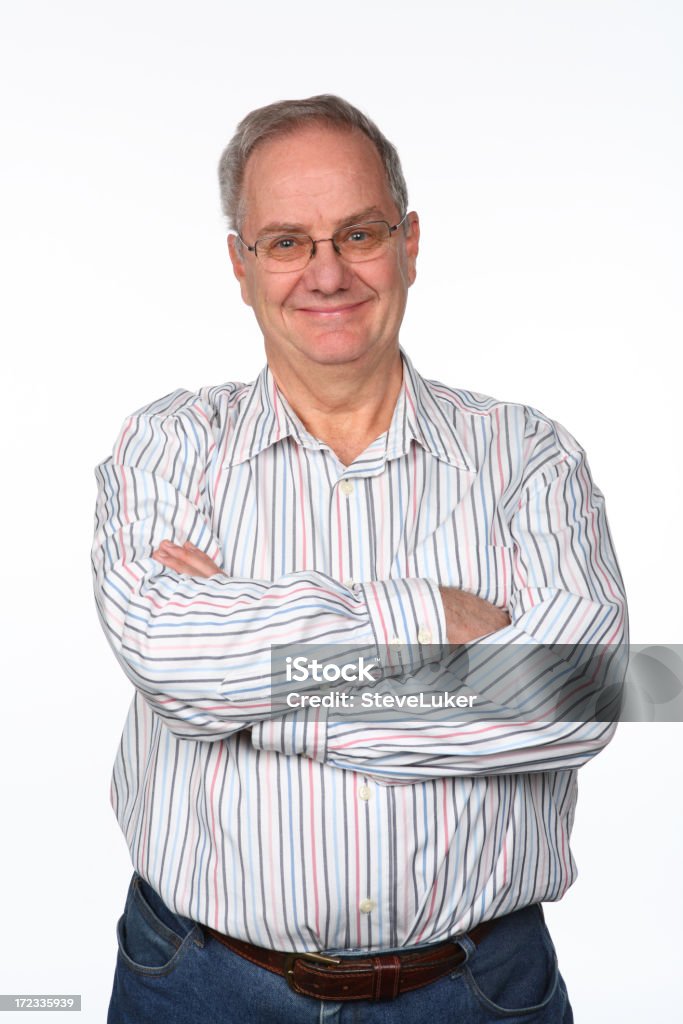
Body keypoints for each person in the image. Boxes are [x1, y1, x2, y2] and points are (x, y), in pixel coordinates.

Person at [92, 95, 627, 1023]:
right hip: (199, 984)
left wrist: (258, 702)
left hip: (473, 992)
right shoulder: (167, 445)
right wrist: (422, 617)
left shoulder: (529, 457)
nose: (327, 273)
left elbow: (575, 696)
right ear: (240, 264)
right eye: (287, 241)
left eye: (359, 232)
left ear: (409, 241)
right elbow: (170, 657)